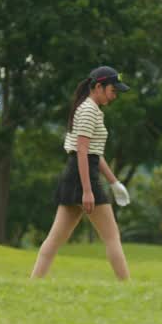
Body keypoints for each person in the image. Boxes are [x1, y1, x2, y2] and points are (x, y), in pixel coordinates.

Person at [30, 66, 133, 280]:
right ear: (98, 87)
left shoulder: (93, 109)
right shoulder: (88, 110)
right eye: (113, 91)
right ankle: (128, 286)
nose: (114, 96)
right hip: (82, 177)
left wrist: (114, 183)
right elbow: (82, 152)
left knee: (55, 238)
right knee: (112, 236)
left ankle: (34, 282)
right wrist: (87, 191)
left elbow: (94, 154)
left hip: (77, 175)